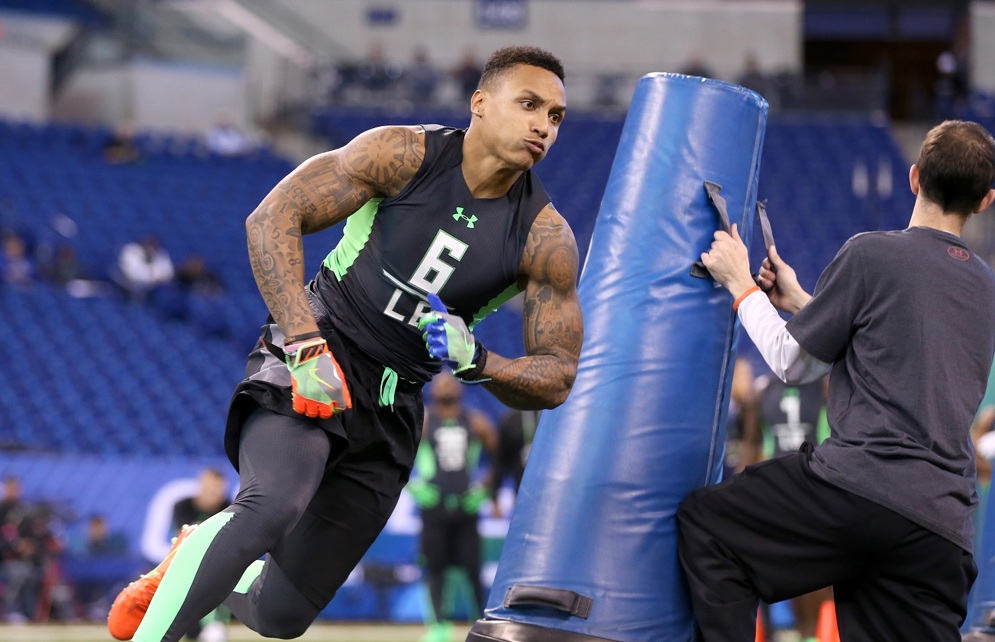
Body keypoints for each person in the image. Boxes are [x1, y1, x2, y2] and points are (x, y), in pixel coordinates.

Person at [108, 45, 583, 642]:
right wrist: (305, 346)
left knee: (282, 617)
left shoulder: (545, 237)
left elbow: (560, 375)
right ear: (481, 104)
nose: (543, 124)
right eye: (530, 104)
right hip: (320, 346)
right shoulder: (402, 153)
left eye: (557, 116)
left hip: (395, 406)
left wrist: (480, 361)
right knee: (270, 506)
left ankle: (195, 559)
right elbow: (272, 217)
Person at [677, 119, 995, 641]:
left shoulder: (872, 253)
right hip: (941, 529)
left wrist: (740, 284)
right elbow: (891, 339)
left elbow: (791, 363)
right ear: (985, 201)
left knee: (709, 527)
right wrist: (806, 303)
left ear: (914, 178)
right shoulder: (985, 287)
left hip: (859, 491)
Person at [408, 372, 496, 642]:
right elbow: (396, 453)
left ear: (460, 388)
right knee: (435, 568)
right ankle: (439, 628)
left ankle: (482, 625)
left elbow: (499, 457)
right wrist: (413, 485)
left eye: (450, 380)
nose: (445, 383)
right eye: (439, 380)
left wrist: (486, 489)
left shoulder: (475, 421)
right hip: (433, 508)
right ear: (431, 390)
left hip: (466, 508)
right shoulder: (423, 421)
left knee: (472, 568)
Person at [171, 468, 232, 642]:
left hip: (217, 564)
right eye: (209, 486)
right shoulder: (183, 505)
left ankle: (215, 624)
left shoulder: (229, 507)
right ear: (201, 485)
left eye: (217, 487)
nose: (213, 492)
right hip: (185, 563)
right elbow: (185, 536)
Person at [488, 407, 539, 517]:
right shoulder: (511, 420)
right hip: (522, 495)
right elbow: (500, 461)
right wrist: (494, 497)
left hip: (555, 494)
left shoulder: (557, 417)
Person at [116, 235, 174, 301]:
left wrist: (152, 278)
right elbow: (133, 274)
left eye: (154, 246)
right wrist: (153, 278)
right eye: (149, 244)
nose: (151, 248)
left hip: (149, 292)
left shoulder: (161, 255)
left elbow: (168, 275)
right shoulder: (131, 250)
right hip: (125, 287)